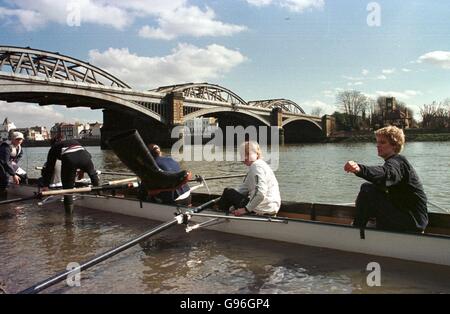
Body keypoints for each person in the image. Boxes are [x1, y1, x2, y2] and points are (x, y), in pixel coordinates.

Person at [344, 126, 428, 233]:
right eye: (377, 142)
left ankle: (356, 231)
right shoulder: (397, 162)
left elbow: (386, 174)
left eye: (382, 142)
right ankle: (370, 224)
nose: (378, 145)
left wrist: (359, 169)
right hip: (413, 220)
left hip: (412, 223)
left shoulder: (398, 162)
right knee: (371, 187)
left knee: (366, 189)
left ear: (394, 145)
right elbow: (384, 180)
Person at [218, 141, 281, 216]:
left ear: (257, 154)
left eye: (248, 154)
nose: (245, 157)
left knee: (228, 192)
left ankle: (219, 216)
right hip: (272, 207)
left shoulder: (256, 166)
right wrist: (233, 206)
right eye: (242, 154)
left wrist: (245, 209)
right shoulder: (262, 165)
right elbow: (242, 190)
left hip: (262, 209)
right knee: (231, 194)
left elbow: (260, 193)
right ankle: (227, 213)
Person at [41, 135, 100, 211]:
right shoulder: (74, 141)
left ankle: (69, 218)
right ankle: (100, 192)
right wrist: (82, 169)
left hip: (69, 160)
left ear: (52, 144)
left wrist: (46, 185)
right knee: (93, 174)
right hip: (86, 158)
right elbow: (89, 156)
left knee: (68, 190)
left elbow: (50, 168)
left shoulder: (54, 147)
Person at [0, 131, 24, 200]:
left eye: (21, 139)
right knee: (5, 178)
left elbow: (20, 155)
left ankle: (20, 189)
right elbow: (5, 162)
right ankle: (2, 198)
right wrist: (13, 174)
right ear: (12, 139)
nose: (19, 141)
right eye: (17, 139)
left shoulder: (19, 147)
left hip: (10, 163)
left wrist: (14, 162)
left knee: (23, 175)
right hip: (2, 164)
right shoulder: (6, 147)